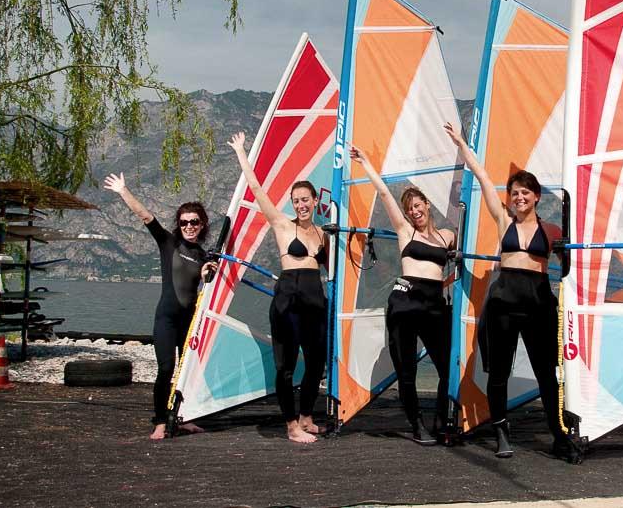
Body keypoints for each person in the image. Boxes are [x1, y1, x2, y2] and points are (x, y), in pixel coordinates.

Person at [443, 122, 571, 458]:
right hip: (503, 303)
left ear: (536, 196)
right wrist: (461, 144)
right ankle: (501, 431)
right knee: (498, 374)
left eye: (525, 192)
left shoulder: (552, 230)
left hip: (539, 303)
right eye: (514, 193)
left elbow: (572, 263)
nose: (519, 197)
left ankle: (559, 435)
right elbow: (483, 177)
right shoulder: (504, 221)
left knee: (547, 374)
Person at [349, 144, 455, 445]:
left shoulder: (447, 236)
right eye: (409, 208)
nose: (414, 211)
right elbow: (384, 194)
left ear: (427, 204)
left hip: (434, 304)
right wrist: (366, 163)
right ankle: (416, 424)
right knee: (407, 370)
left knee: (447, 367)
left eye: (417, 205)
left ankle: (441, 421)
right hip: (405, 301)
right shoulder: (405, 232)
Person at [228, 131, 328, 443]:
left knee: (316, 364)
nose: (300, 205)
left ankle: (306, 416)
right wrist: (241, 152)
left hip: (315, 300)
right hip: (288, 299)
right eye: (296, 201)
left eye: (305, 199)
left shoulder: (324, 234)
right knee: (286, 366)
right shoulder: (283, 225)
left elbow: (338, 268)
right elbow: (257, 189)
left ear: (315, 200)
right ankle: (291, 426)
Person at [103, 172, 216, 440]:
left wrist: (207, 273)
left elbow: (207, 281)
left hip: (189, 321)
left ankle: (184, 417)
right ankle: (161, 422)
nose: (189, 226)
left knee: (188, 372)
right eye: (184, 222)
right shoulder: (169, 243)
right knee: (166, 369)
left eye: (194, 222)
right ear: (179, 224)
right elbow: (145, 216)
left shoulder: (204, 255)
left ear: (202, 224)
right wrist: (123, 190)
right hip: (166, 318)